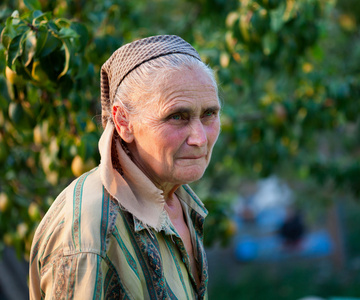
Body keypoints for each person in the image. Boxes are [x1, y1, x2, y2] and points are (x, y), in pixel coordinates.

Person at [29, 35, 221, 299]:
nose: (199, 139)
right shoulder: (92, 234)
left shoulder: (177, 199)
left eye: (209, 114)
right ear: (123, 122)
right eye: (177, 117)